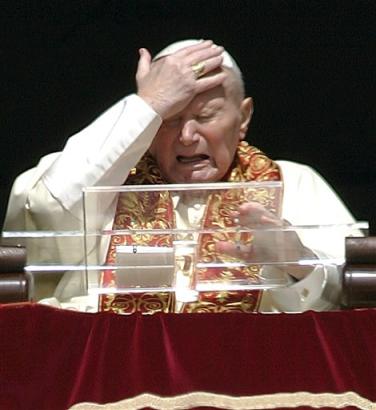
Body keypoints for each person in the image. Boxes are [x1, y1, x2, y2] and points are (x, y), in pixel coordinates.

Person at [3, 39, 356, 313]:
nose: (187, 136)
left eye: (206, 116)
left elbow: (351, 301)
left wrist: (298, 261)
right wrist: (147, 104)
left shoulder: (292, 183)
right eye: (169, 118)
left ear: (244, 117)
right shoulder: (106, 180)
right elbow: (45, 207)